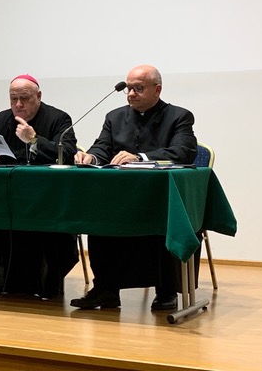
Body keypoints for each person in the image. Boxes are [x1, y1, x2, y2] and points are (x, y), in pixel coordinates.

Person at [71, 64, 198, 310]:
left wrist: (140, 157)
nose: (130, 94)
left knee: (160, 223)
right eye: (128, 88)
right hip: (118, 197)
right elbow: (102, 147)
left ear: (157, 90)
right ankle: (106, 289)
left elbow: (183, 151)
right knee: (98, 218)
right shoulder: (114, 117)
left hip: (157, 198)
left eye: (138, 88)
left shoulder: (179, 116)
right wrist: (91, 157)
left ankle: (166, 291)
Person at [0, 74, 79, 299]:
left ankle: (39, 286)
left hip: (44, 197)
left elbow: (67, 154)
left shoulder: (59, 118)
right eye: (13, 99)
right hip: (5, 195)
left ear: (39, 96)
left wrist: (34, 139)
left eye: (24, 98)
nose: (18, 104)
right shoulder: (3, 118)